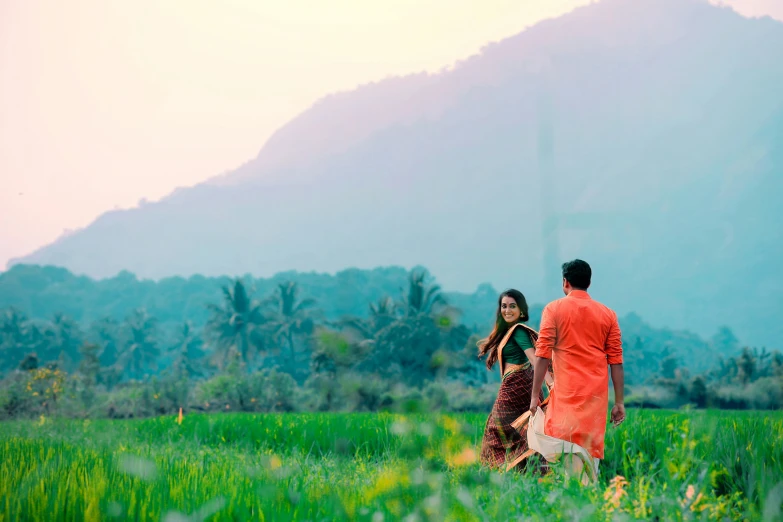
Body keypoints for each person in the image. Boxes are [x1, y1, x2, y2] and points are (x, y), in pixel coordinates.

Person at [528, 259, 625, 482]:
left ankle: (569, 502)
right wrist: (619, 402)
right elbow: (616, 362)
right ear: (588, 282)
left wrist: (534, 396)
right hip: (595, 399)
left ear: (565, 282)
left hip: (566, 397)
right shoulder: (608, 314)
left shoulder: (554, 309)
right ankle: (587, 502)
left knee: (561, 448)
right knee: (587, 452)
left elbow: (542, 354)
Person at [478, 289, 554, 471]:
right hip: (517, 387)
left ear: (521, 311)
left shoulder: (518, 331)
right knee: (521, 433)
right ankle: (527, 473)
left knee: (497, 430)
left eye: (512, 306)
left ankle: (498, 472)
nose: (507, 310)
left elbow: (536, 360)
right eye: (504, 306)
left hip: (516, 389)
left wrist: (551, 383)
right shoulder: (508, 332)